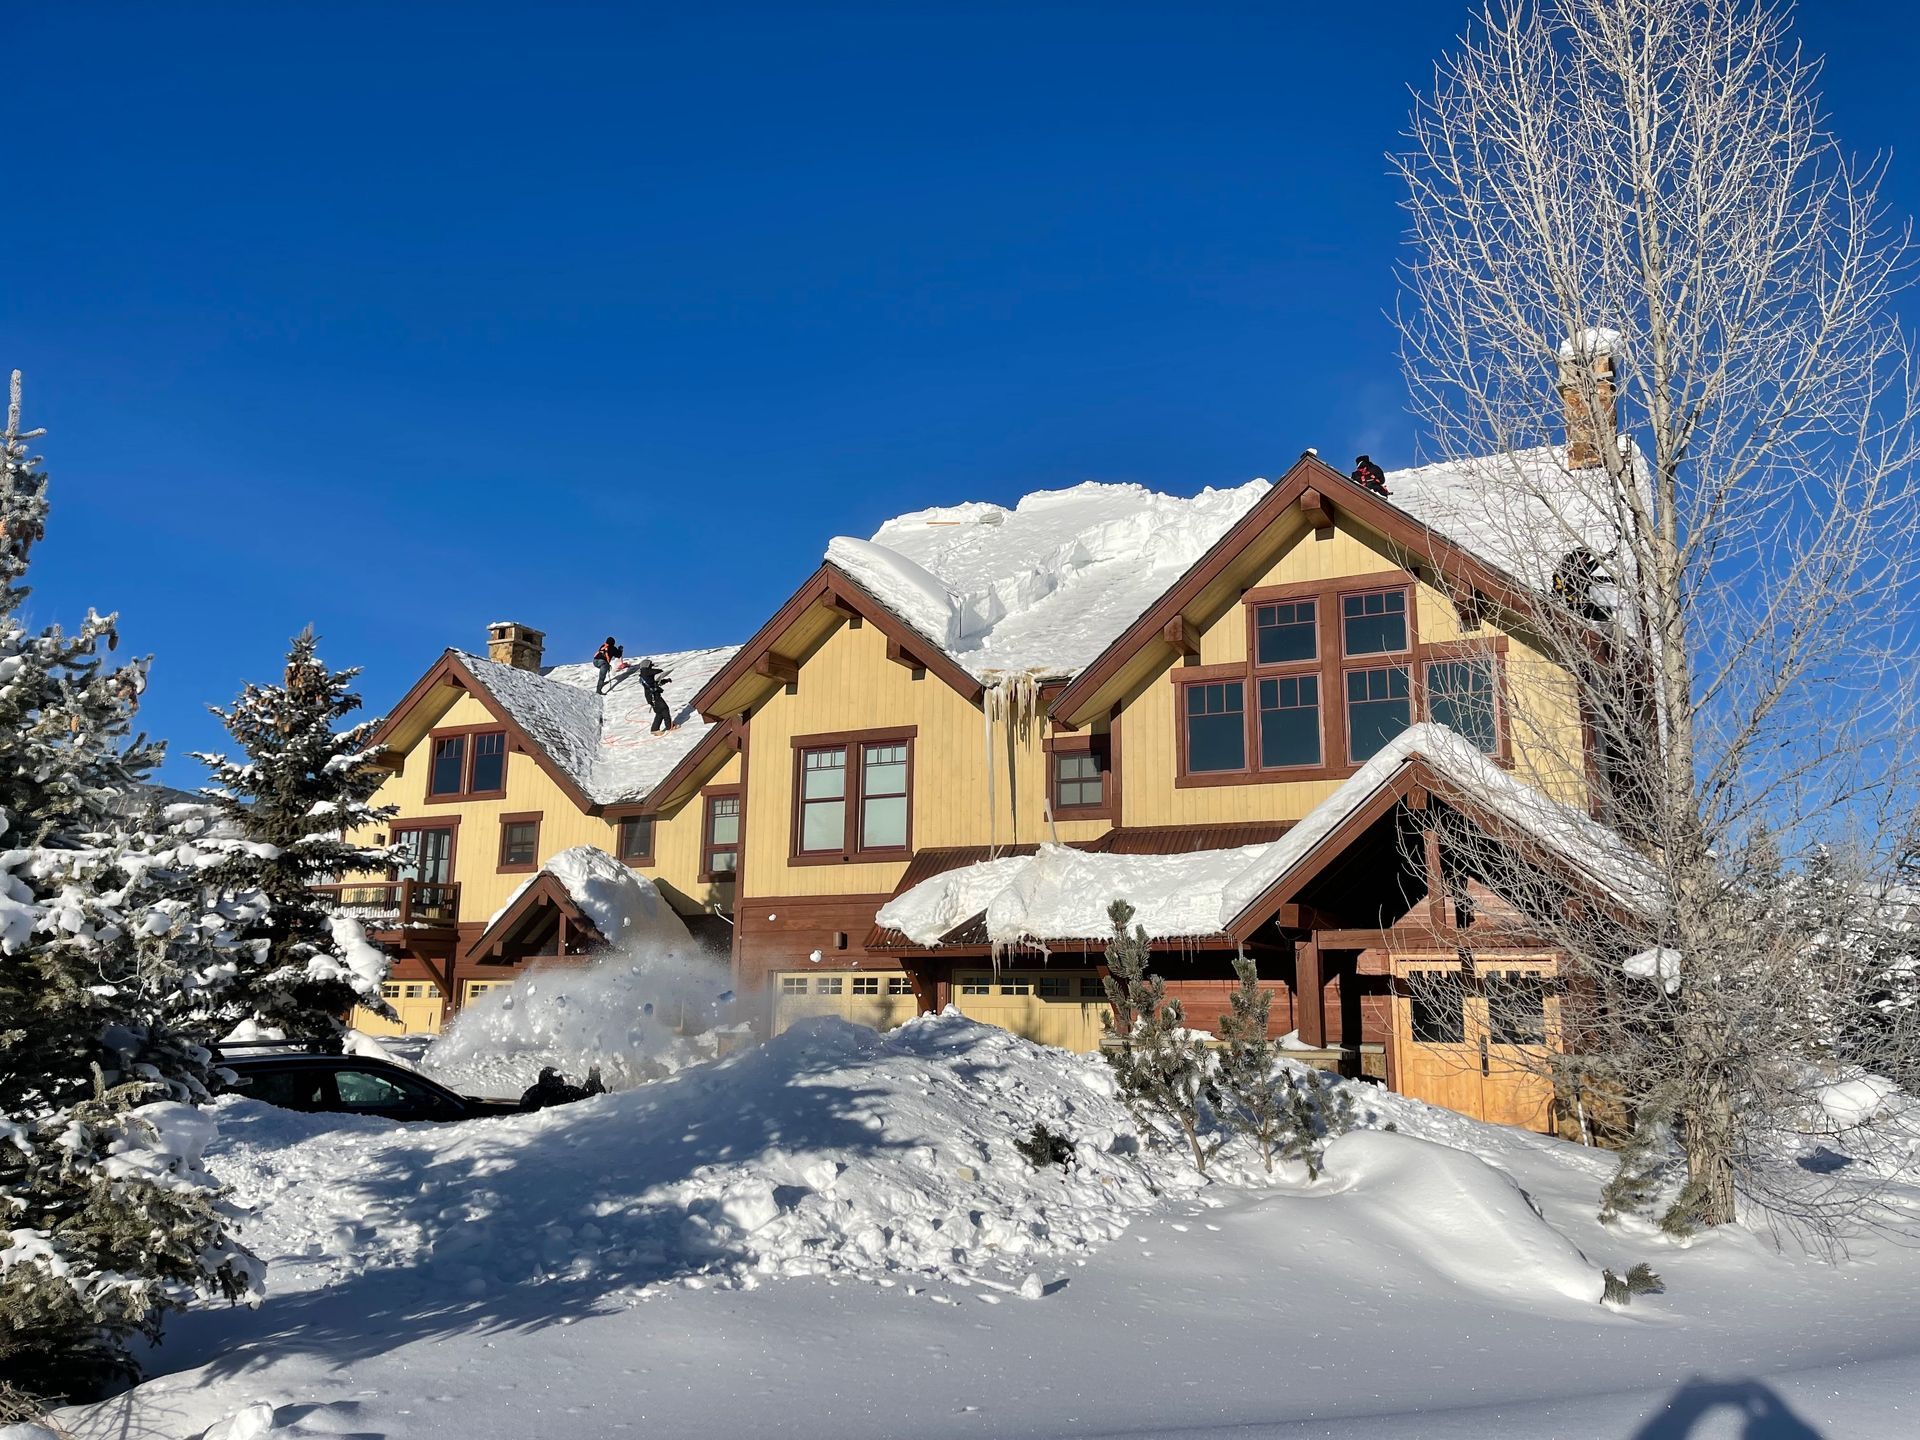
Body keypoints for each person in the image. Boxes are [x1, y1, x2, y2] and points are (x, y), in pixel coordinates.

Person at [635, 657, 674, 733]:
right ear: (647, 665)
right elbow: (656, 671)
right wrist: (660, 671)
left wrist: (666, 680)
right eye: (650, 665)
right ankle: (670, 726)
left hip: (651, 696)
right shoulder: (645, 671)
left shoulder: (645, 675)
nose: (651, 667)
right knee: (665, 708)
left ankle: (655, 729)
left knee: (659, 712)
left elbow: (655, 683)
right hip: (654, 696)